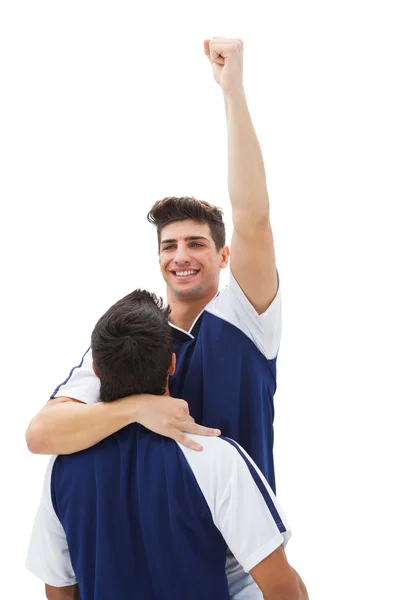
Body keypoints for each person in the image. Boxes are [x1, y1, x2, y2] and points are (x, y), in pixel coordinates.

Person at [25, 38, 281, 492]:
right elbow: (41, 433)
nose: (180, 256)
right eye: (169, 246)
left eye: (196, 244)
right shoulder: (134, 337)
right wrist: (138, 408)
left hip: (241, 555)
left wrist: (232, 90)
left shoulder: (245, 318)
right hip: (160, 548)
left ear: (224, 255)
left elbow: (254, 217)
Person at [26, 290, 307, 600]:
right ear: (172, 364)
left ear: (95, 371)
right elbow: (283, 589)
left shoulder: (61, 470)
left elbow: (59, 589)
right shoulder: (217, 458)